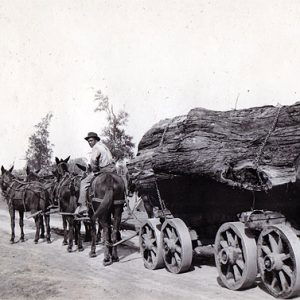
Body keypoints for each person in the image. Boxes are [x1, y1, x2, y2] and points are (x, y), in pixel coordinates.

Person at [76, 132, 114, 215]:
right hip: (112, 169)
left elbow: (93, 161)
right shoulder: (104, 147)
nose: (90, 143)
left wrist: (95, 170)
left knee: (83, 182)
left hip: (103, 170)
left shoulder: (96, 147)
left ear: (96, 140)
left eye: (91, 140)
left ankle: (83, 205)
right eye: (88, 141)